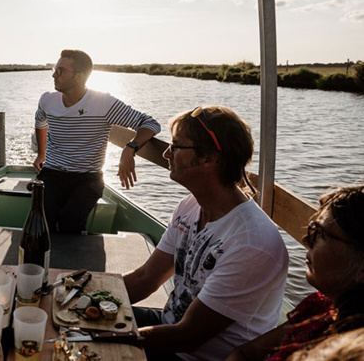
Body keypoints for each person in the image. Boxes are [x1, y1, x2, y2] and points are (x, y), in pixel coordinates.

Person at [122, 105, 289, 361]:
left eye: (176, 146)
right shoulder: (189, 206)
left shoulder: (252, 243)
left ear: (209, 158)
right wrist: (84, 294)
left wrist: (107, 338)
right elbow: (146, 278)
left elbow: (189, 336)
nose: (167, 153)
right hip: (170, 327)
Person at [227, 185, 364, 361]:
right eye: (312, 228)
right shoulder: (321, 306)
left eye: (321, 234)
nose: (306, 240)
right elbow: (245, 352)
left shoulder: (351, 350)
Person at [33, 49, 160, 233]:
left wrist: (130, 148)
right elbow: (40, 122)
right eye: (55, 69)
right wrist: (41, 154)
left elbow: (150, 123)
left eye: (60, 71)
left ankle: (72, 261)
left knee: (70, 221)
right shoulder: (47, 100)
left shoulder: (103, 103)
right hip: (52, 173)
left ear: (79, 77)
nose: (54, 75)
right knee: (42, 222)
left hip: (88, 178)